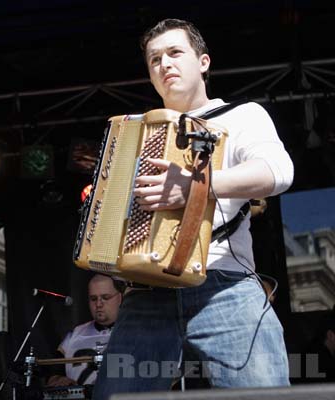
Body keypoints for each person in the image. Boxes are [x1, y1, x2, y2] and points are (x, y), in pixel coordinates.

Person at [93, 19, 294, 399]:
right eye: (154, 60)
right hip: (146, 291)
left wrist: (194, 187)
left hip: (224, 284)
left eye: (174, 53)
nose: (164, 64)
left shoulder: (241, 116)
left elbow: (277, 172)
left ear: (203, 61)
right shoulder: (134, 134)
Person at [47, 274, 123, 387]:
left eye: (106, 297)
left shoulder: (135, 332)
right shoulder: (75, 334)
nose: (98, 304)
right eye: (93, 299)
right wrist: (59, 380)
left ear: (121, 298)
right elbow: (53, 375)